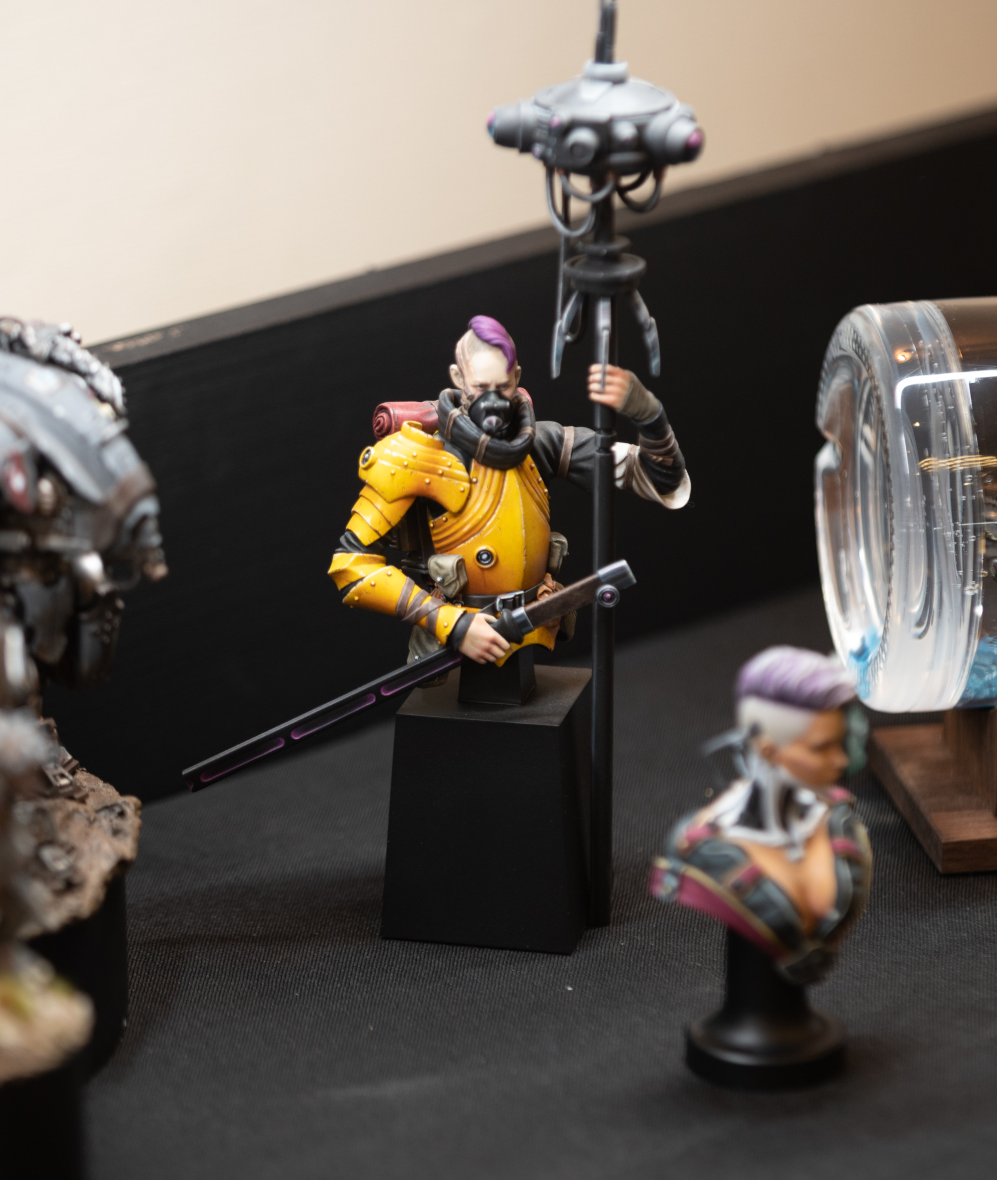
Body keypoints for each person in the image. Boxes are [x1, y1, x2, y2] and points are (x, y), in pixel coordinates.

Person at [327, 314, 688, 671]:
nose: (493, 401)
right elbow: (350, 565)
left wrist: (649, 415)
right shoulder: (418, 456)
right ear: (459, 378)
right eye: (481, 387)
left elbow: (660, 478)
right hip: (453, 645)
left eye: (502, 387)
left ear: (516, 378)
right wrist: (450, 623)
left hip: (535, 624)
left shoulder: (542, 443)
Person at [651, 646, 873, 982]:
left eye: (840, 743)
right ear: (768, 749)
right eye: (822, 748)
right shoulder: (699, 846)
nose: (841, 761)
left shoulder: (836, 818)